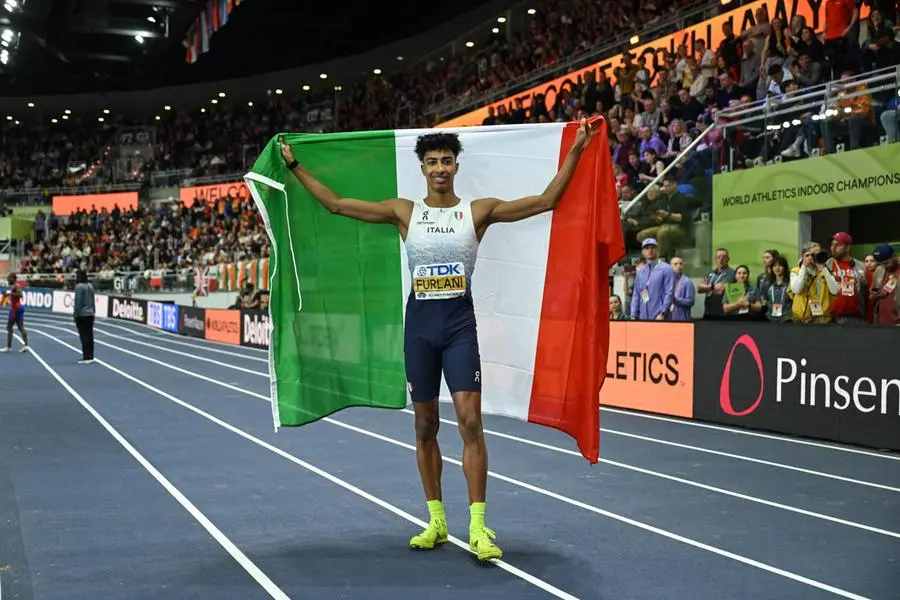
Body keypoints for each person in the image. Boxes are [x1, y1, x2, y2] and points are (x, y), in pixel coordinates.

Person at [277, 119, 598, 561]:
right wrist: (295, 166)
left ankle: (479, 527)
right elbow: (336, 205)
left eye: (447, 161)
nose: (440, 168)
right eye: (432, 162)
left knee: (470, 422)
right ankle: (436, 521)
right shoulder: (404, 212)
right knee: (425, 425)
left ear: (456, 166)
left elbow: (545, 200)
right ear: (423, 168)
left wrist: (577, 149)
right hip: (421, 330)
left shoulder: (478, 211)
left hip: (459, 326)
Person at [73, 269, 96, 364]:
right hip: (90, 313)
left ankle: (86, 356)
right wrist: (93, 311)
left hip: (82, 314)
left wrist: (75, 315)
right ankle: (90, 356)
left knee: (84, 336)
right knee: (90, 336)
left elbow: (78, 302)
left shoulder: (79, 287)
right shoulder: (90, 286)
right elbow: (93, 300)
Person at [2, 273, 29, 353]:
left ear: (13, 279)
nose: (8, 280)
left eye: (9, 278)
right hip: (18, 308)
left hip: (15, 309)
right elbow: (14, 297)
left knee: (9, 327)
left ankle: (9, 347)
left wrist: (10, 294)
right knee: (20, 327)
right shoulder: (14, 286)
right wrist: (7, 296)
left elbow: (20, 295)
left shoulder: (16, 286)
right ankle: (26, 345)